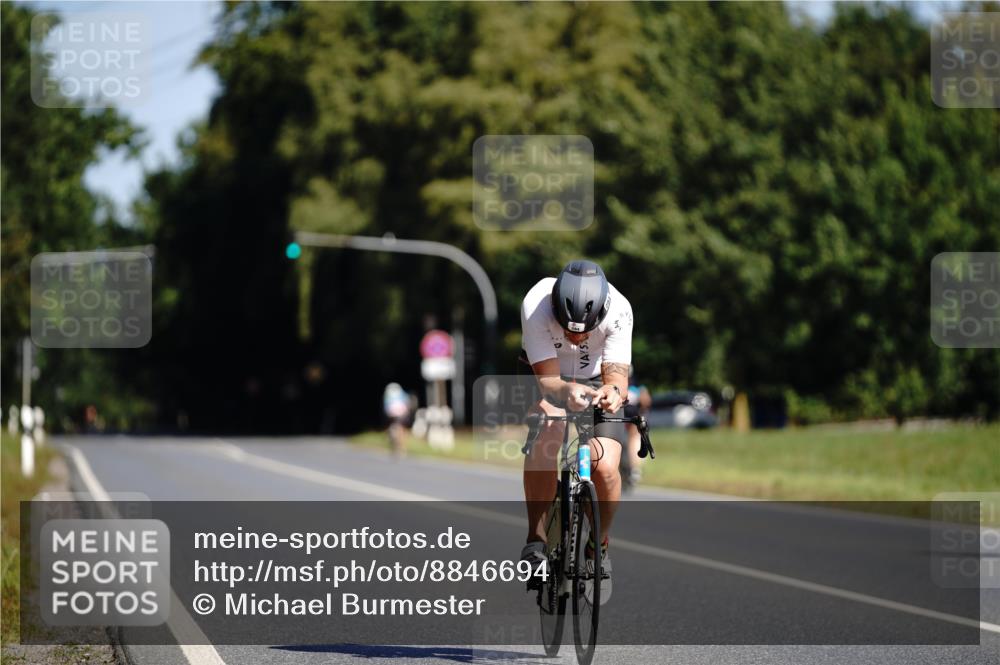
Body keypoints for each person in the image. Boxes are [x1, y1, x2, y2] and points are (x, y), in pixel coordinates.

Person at [518, 259, 633, 604]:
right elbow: (550, 380)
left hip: (596, 377)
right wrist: (564, 391)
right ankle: (536, 539)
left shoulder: (620, 310)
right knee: (550, 429)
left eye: (584, 331)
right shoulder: (536, 303)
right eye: (568, 329)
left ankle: (599, 546)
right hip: (545, 376)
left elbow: (617, 378)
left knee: (606, 467)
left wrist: (612, 393)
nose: (576, 336)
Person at [622, 367, 652, 490]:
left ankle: (634, 469)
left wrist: (642, 398)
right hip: (619, 418)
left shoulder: (637, 386)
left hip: (634, 418)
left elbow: (646, 402)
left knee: (634, 438)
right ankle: (626, 469)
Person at [383, 383, 411, 457]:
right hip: (396, 415)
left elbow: (386, 407)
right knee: (397, 429)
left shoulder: (399, 395)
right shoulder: (401, 394)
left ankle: (401, 447)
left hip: (400, 415)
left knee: (400, 429)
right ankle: (399, 446)